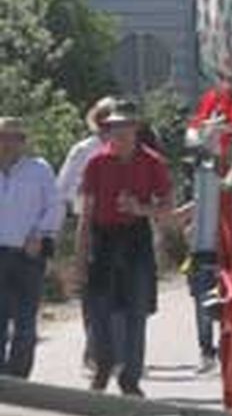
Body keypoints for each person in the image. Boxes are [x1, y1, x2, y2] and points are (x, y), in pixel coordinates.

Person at [77, 101, 172, 396]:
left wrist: (140, 208)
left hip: (135, 237)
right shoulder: (96, 163)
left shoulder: (152, 162)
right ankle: (103, 363)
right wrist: (80, 257)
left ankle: (130, 377)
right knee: (99, 307)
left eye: (125, 128)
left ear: (136, 130)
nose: (120, 135)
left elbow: (166, 207)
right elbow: (87, 212)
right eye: (114, 128)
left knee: (136, 310)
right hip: (103, 237)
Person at [57, 96, 117, 371]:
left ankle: (115, 347)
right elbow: (63, 188)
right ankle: (93, 347)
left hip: (123, 225)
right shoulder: (83, 150)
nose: (109, 126)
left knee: (122, 289)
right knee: (93, 289)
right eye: (104, 120)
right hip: (90, 224)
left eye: (113, 119)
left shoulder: (127, 149)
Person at [0, 117, 63, 379]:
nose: (10, 143)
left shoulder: (39, 170)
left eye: (16, 138)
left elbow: (56, 207)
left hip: (28, 255)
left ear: (24, 142)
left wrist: (39, 233)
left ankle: (18, 380)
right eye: (4, 137)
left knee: (25, 324)